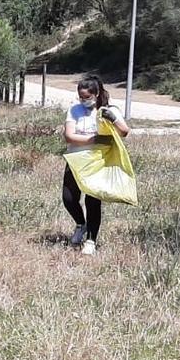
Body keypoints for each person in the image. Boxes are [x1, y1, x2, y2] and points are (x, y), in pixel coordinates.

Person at [62, 75, 130, 255]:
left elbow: (124, 132)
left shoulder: (109, 110)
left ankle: (91, 240)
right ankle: (80, 224)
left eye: (87, 97)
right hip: (75, 159)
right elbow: (69, 136)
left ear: (97, 93)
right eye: (81, 97)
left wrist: (113, 118)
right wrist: (92, 139)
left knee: (93, 201)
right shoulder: (74, 110)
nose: (84, 100)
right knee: (68, 198)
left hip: (98, 162)